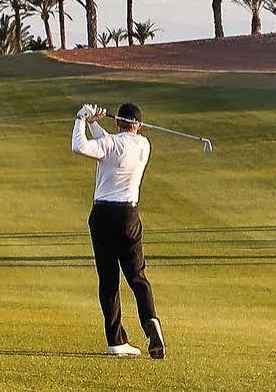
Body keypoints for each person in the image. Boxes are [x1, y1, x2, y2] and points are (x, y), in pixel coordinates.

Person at [71, 102, 165, 359]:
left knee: (109, 279)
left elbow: (80, 146)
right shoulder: (144, 145)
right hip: (129, 215)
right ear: (139, 126)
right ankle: (150, 320)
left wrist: (82, 119)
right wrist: (94, 124)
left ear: (118, 123)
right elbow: (113, 145)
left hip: (102, 215)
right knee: (137, 276)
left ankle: (116, 341)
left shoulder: (111, 144)